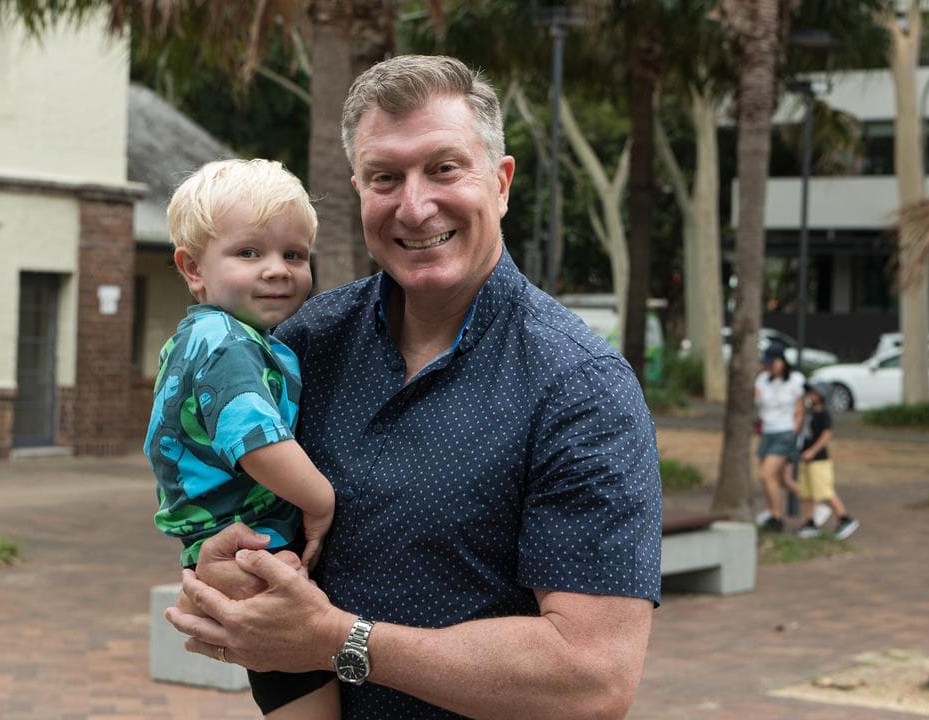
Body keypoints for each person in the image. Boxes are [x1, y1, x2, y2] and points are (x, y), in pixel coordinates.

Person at [163, 54, 662, 719]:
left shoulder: (581, 388)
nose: (416, 204)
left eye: (444, 168)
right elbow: (221, 494)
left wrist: (340, 642)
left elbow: (592, 679)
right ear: (359, 191)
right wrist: (226, 569)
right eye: (385, 177)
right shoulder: (305, 342)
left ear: (502, 182)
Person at [145, 158, 339, 719]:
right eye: (249, 253)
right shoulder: (224, 341)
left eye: (294, 254)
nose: (277, 270)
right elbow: (255, 440)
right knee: (306, 694)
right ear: (193, 268)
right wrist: (319, 500)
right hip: (256, 551)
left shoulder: (210, 336)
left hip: (230, 546)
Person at [794, 383, 860, 540]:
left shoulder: (824, 414)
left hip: (819, 460)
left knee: (825, 491)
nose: (810, 394)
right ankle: (810, 521)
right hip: (805, 459)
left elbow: (826, 435)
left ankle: (844, 518)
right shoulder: (809, 412)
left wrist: (812, 451)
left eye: (813, 392)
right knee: (807, 493)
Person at [754, 343, 805, 533]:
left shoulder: (795, 380)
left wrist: (794, 431)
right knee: (780, 479)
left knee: (766, 475)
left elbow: (800, 409)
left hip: (785, 433)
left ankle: (776, 517)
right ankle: (775, 511)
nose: (769, 366)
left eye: (772, 363)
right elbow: (756, 401)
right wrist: (759, 372)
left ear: (782, 361)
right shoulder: (762, 381)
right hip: (767, 432)